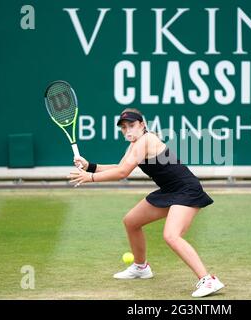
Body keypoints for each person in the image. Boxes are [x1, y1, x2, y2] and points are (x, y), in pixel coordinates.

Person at [68, 108, 224, 298]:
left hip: (186, 190)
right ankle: (141, 267)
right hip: (169, 191)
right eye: (124, 128)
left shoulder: (146, 141)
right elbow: (120, 167)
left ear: (142, 125)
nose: (128, 131)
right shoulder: (135, 145)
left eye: (132, 125)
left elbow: (122, 174)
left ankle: (208, 280)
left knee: (171, 236)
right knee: (131, 221)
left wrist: (90, 177)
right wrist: (90, 166)